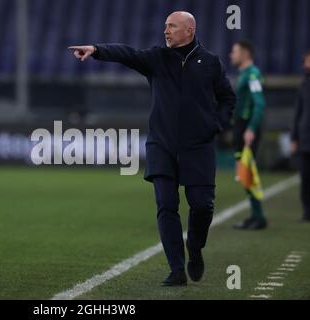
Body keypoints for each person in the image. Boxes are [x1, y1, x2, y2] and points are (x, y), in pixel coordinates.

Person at [69, 11, 235, 286]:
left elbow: (228, 98)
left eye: (172, 26)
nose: (166, 31)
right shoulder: (157, 58)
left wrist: (216, 125)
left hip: (198, 147)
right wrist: (96, 50)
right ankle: (177, 268)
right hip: (162, 145)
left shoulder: (211, 63)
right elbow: (128, 54)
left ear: (189, 30)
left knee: (202, 206)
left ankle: (194, 248)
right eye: (165, 26)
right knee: (166, 205)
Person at [229, 40, 268, 230]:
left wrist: (251, 128)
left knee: (247, 171)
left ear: (245, 54)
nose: (231, 55)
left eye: (234, 51)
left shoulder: (252, 74)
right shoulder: (244, 74)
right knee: (244, 172)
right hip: (240, 127)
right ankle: (255, 215)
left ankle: (259, 217)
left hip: (246, 128)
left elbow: (259, 103)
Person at [291, 50, 310, 222]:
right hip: (305, 138)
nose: (306, 64)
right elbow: (298, 112)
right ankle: (306, 210)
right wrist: (294, 137)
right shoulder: (304, 84)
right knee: (305, 177)